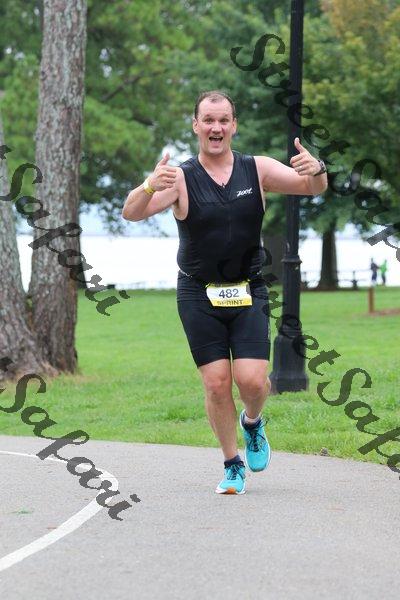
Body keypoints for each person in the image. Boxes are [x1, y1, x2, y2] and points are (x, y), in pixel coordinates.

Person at [122, 90, 328, 495]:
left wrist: (317, 167)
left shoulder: (257, 169)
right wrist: (148, 185)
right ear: (196, 126)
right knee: (216, 383)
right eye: (208, 120)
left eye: (223, 120)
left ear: (233, 125)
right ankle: (232, 464)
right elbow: (132, 212)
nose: (216, 128)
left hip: (248, 290)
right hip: (198, 294)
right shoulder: (180, 178)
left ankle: (252, 422)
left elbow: (313, 188)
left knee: (252, 381)